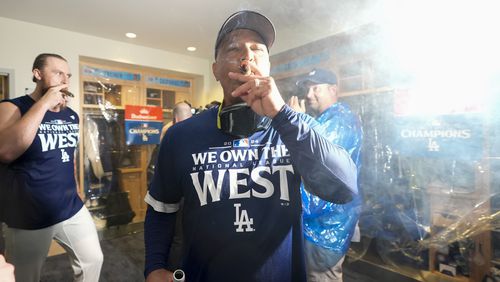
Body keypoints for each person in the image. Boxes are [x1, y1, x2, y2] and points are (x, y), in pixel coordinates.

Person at [144, 11, 358, 282]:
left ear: (268, 66)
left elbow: (344, 188)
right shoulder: (180, 136)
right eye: (234, 49)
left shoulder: (294, 127)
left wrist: (282, 115)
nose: (247, 58)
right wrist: (153, 266)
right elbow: (162, 209)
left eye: (257, 50)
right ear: (215, 69)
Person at [0, 53, 103, 282]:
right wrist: (44, 103)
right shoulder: (12, 107)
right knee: (25, 277)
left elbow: (69, 157)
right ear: (37, 74)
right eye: (58, 73)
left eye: (67, 75)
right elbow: (6, 151)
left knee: (93, 260)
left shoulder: (71, 115)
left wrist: (77, 189)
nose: (64, 80)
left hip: (70, 207)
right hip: (29, 213)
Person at [290, 68, 363, 282]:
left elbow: (318, 163)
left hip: (325, 227)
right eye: (307, 89)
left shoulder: (338, 121)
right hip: (320, 223)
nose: (309, 94)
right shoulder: (327, 119)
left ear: (333, 90)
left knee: (321, 277)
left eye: (316, 88)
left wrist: (296, 122)